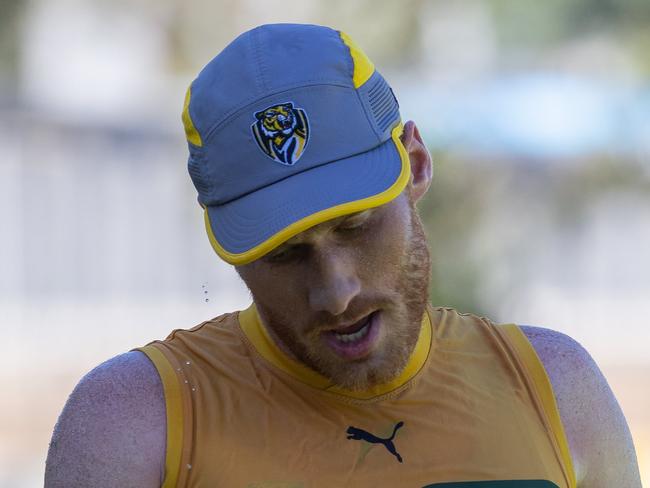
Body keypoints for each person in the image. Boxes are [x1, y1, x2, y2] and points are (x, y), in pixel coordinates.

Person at [45, 23, 641, 488]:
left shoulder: (557, 393)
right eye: (283, 254)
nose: (335, 292)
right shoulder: (135, 427)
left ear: (416, 163)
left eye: (356, 226)